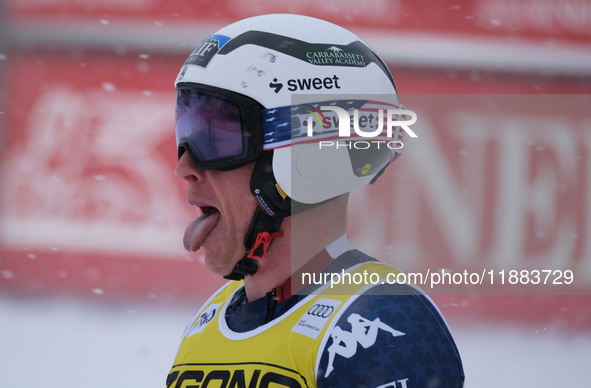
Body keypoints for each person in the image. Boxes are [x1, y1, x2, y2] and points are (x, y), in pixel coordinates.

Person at [167, 14, 464, 388]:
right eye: (187, 129)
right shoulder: (211, 320)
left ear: (310, 159)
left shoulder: (382, 324)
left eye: (217, 137)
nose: (184, 166)